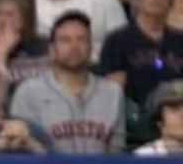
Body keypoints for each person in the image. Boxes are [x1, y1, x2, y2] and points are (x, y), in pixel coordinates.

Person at [8, 13, 124, 155]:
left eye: (81, 39)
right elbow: (22, 151)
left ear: (91, 48)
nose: (74, 46)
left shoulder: (112, 92)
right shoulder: (28, 92)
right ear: (52, 50)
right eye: (65, 40)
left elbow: (117, 155)